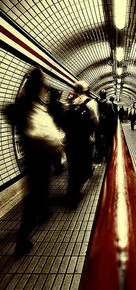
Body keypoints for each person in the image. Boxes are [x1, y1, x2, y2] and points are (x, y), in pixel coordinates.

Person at [4, 68, 63, 258]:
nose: (46, 89)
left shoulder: (24, 103)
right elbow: (45, 134)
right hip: (40, 157)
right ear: (40, 87)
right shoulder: (34, 106)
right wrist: (59, 141)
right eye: (44, 85)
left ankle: (44, 211)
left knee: (39, 191)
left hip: (32, 158)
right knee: (32, 198)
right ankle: (22, 242)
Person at [62, 80, 99, 208]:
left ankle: (71, 192)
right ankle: (74, 194)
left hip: (70, 142)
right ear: (86, 90)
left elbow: (64, 123)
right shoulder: (91, 103)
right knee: (82, 166)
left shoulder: (70, 103)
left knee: (72, 168)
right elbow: (95, 122)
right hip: (84, 141)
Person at [48, 88, 65, 174]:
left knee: (53, 149)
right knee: (57, 148)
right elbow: (62, 117)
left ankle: (55, 166)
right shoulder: (59, 105)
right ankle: (58, 167)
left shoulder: (48, 105)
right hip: (58, 129)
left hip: (50, 129)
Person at [95, 89, 116, 162]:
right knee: (107, 141)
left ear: (100, 95)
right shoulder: (109, 103)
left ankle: (100, 156)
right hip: (107, 125)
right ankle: (107, 156)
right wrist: (113, 128)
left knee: (99, 141)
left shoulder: (96, 102)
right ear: (106, 95)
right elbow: (113, 115)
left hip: (98, 125)